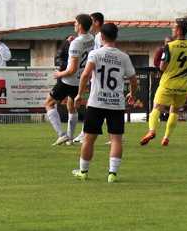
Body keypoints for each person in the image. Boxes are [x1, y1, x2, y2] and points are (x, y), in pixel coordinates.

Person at [72, 22, 138, 182]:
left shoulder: (95, 54)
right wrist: (132, 93)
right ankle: (112, 174)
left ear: (101, 37)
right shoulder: (124, 56)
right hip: (116, 103)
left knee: (89, 138)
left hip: (96, 102)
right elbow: (133, 79)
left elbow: (85, 75)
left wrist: (79, 94)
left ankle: (83, 171)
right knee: (116, 139)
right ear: (116, 37)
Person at [141, 19, 187, 147]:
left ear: (179, 30)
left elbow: (162, 67)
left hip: (168, 83)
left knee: (157, 107)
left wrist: (172, 68)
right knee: (174, 110)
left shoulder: (169, 46)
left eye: (174, 28)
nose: (172, 30)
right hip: (184, 86)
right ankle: (166, 137)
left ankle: (152, 131)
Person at [44, 15, 95, 146]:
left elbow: (72, 69)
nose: (74, 25)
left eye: (76, 23)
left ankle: (62, 135)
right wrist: (73, 41)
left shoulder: (76, 43)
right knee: (71, 107)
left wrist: (59, 74)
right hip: (80, 81)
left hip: (68, 80)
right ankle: (70, 139)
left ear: (80, 26)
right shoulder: (91, 38)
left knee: (49, 103)